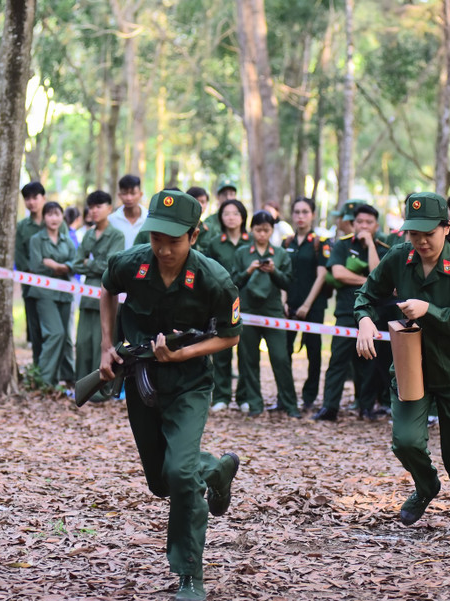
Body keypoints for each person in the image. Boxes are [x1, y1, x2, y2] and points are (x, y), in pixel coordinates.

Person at [98, 189, 242, 601]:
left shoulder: (214, 278)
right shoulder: (131, 262)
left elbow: (231, 337)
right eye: (156, 237)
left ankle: (189, 573)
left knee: (180, 476)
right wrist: (108, 343)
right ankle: (214, 469)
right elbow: (107, 289)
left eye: (173, 240)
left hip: (189, 385)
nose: (162, 248)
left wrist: (183, 352)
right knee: (162, 481)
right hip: (140, 379)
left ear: (194, 236)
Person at [354, 191, 450, 539]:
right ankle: (426, 486)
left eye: (428, 232)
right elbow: (366, 294)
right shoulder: (399, 257)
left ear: (446, 228)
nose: (421, 241)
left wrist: (432, 311)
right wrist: (365, 320)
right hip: (412, 367)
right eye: (414, 233)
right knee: (406, 440)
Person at [315, 202, 390, 422]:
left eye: (369, 222)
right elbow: (338, 273)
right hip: (347, 312)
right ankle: (330, 407)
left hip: (373, 315)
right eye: (360, 222)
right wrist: (369, 281)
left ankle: (366, 407)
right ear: (353, 223)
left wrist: (371, 246)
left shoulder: (383, 248)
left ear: (376, 225)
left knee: (369, 362)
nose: (364, 226)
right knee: (338, 359)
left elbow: (380, 275)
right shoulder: (343, 245)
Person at [232, 210, 299, 417]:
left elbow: (288, 282)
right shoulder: (242, 253)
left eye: (266, 230)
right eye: (258, 229)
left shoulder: (279, 254)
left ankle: (290, 405)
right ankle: (254, 404)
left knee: (280, 358)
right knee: (248, 358)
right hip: (249, 311)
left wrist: (274, 271)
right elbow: (233, 282)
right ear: (251, 230)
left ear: (272, 231)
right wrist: (249, 270)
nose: (262, 234)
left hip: (273, 311)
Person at [69, 190, 124, 396]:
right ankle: (82, 388)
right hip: (87, 296)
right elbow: (76, 263)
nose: (94, 211)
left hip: (107, 294)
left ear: (109, 209)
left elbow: (111, 266)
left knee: (103, 343)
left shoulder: (116, 235)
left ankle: (103, 390)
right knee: (83, 343)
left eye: (99, 206)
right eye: (91, 207)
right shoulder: (89, 234)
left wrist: (88, 263)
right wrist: (93, 264)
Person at [283, 197, 331, 410]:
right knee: (284, 351)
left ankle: (309, 397)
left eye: (305, 212)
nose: (300, 216)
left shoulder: (321, 243)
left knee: (313, 351)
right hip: (289, 305)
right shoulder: (286, 243)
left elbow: (321, 276)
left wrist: (307, 305)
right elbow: (282, 274)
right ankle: (286, 397)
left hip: (314, 306)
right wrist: (284, 301)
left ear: (312, 214)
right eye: (297, 212)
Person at [204, 199, 249, 411]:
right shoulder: (214, 243)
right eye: (226, 213)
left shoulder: (250, 243)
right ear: (221, 217)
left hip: (247, 301)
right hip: (221, 302)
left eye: (235, 213)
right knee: (221, 349)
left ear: (243, 217)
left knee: (247, 352)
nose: (231, 217)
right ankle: (221, 395)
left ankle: (244, 397)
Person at [28, 201, 77, 392]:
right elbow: (36, 265)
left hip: (65, 293)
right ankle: (45, 380)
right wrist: (59, 266)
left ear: (62, 217)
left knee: (65, 337)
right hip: (43, 292)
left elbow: (75, 262)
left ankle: (67, 377)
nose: (54, 218)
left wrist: (57, 266)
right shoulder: (36, 240)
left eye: (57, 214)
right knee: (55, 333)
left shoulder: (67, 240)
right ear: (44, 217)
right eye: (49, 214)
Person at [16, 182, 46, 365]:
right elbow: (19, 257)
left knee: (56, 331)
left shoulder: (54, 220)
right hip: (31, 287)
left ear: (43, 198)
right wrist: (33, 274)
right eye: (27, 198)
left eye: (35, 197)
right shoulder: (22, 227)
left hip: (56, 286)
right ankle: (38, 367)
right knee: (35, 329)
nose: (32, 202)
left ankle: (55, 370)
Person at [109, 174, 147, 250]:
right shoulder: (111, 220)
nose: (129, 198)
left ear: (140, 194)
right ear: (119, 195)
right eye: (125, 193)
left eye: (133, 193)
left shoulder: (149, 218)